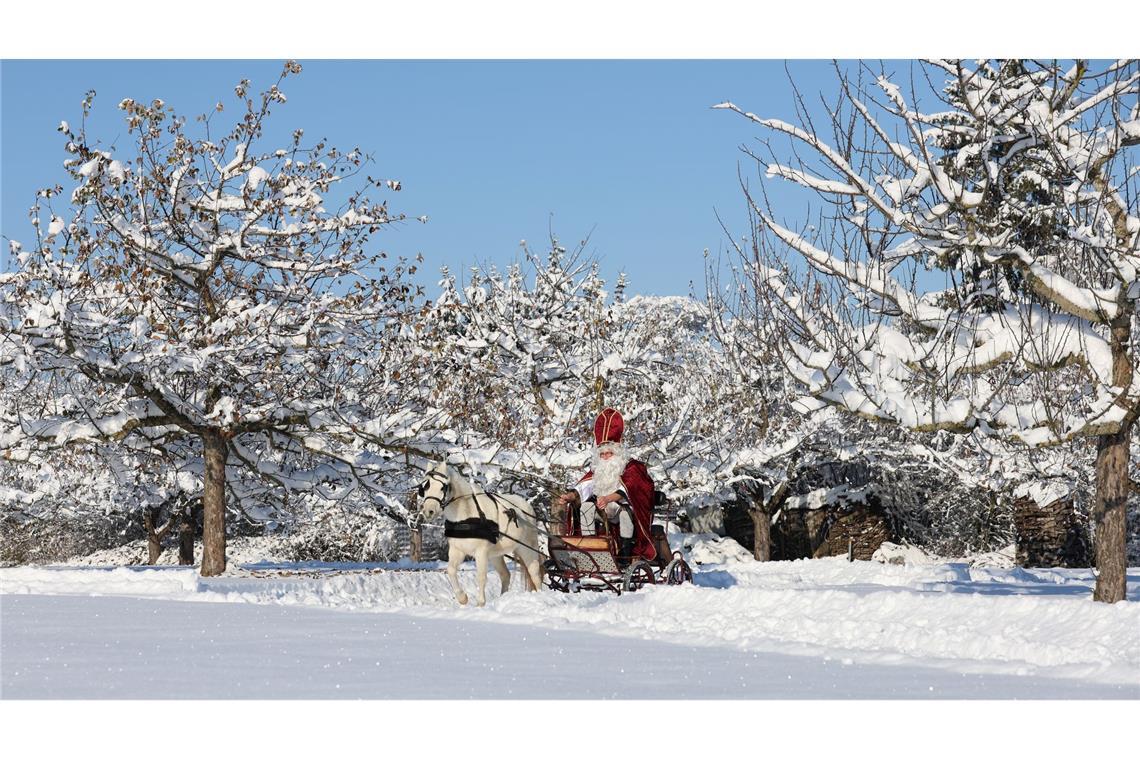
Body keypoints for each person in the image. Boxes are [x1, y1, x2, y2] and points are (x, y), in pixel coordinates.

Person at [557, 407, 656, 566]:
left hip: (622, 508)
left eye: (608, 453)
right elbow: (585, 486)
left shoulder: (632, 467)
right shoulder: (598, 469)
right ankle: (589, 548)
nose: (604, 458)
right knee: (586, 508)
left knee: (624, 515)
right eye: (601, 454)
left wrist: (610, 498)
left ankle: (625, 554)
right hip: (601, 508)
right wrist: (570, 496)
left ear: (617, 452)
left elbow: (634, 488)